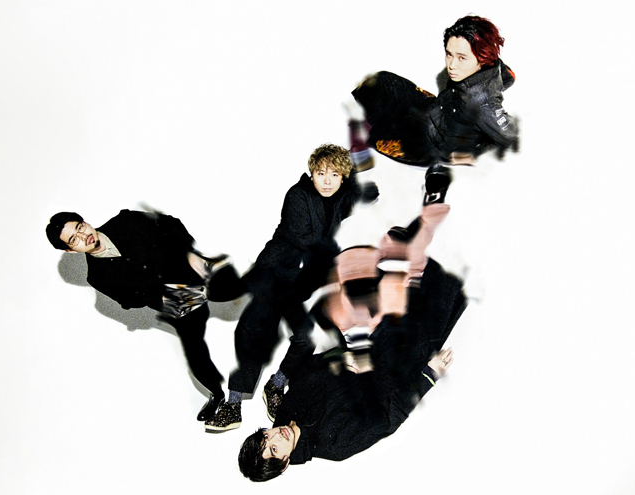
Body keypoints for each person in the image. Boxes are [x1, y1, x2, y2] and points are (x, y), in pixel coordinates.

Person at [237, 199, 467, 481]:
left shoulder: (286, 409)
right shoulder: (334, 445)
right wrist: (428, 376)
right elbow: (389, 418)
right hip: (399, 364)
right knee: (437, 281)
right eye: (274, 449)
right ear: (283, 464)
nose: (276, 435)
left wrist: (340, 358)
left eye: (265, 436)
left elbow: (308, 367)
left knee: (374, 269)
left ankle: (420, 238)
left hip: (370, 343)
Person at [204, 144, 378, 432]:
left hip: (302, 281)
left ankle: (276, 385)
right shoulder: (297, 196)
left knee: (307, 339)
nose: (326, 181)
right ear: (312, 174)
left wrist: (358, 159)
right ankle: (233, 405)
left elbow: (368, 192)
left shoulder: (341, 196)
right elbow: (305, 238)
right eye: (320, 173)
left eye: (334, 174)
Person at [45, 208, 246, 421]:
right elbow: (129, 300)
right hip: (172, 300)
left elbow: (170, 223)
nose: (84, 236)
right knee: (194, 353)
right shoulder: (96, 277)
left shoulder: (125, 220)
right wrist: (167, 297)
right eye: (74, 239)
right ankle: (217, 395)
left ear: (85, 221)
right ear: (70, 250)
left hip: (190, 269)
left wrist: (190, 254)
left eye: (80, 227)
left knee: (239, 289)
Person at [351, 15, 518, 167]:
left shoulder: (483, 105)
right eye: (449, 54)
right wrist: (503, 79)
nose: (452, 65)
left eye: (461, 57)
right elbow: (506, 73)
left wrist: (472, 153)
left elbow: (512, 137)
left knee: (375, 133)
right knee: (381, 80)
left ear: (482, 58)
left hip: (426, 143)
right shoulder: (492, 64)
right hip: (433, 107)